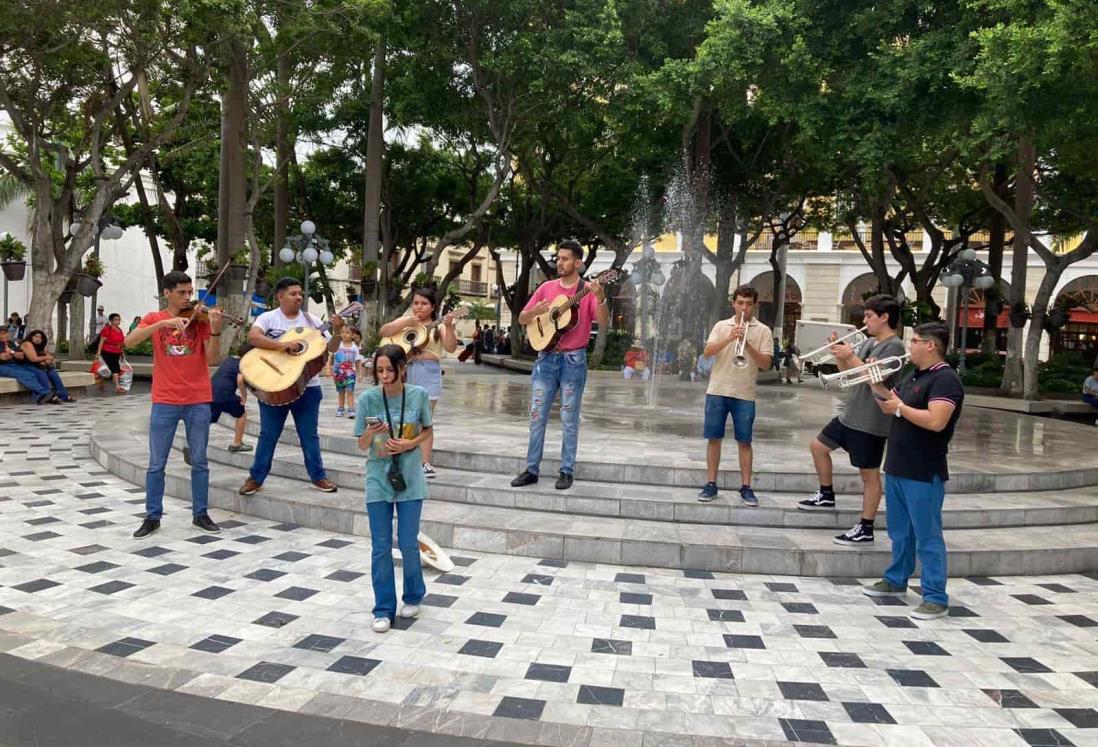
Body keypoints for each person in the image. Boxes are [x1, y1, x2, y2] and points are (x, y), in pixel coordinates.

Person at [863, 322, 964, 620]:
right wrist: (871, 379)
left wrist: (899, 407)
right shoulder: (913, 375)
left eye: (916, 341)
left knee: (927, 535)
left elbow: (936, 421)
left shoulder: (946, 380)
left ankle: (935, 596)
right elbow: (887, 405)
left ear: (930, 345)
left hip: (923, 469)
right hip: (897, 465)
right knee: (900, 532)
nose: (910, 346)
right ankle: (896, 580)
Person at [797, 295, 906, 546]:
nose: (865, 321)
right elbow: (848, 370)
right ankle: (825, 494)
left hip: (871, 421)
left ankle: (865, 527)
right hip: (850, 413)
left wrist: (851, 356)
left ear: (885, 317)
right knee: (817, 446)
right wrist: (839, 352)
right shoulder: (869, 342)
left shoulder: (894, 347)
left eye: (869, 316)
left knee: (869, 475)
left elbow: (874, 378)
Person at [125, 270, 223, 538]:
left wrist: (215, 331)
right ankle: (152, 515)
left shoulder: (200, 320)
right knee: (157, 462)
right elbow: (128, 341)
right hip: (165, 400)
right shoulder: (154, 318)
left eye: (189, 292)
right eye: (181, 292)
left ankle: (200, 513)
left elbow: (213, 359)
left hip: (198, 399)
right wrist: (162, 325)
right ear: (167, 293)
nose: (187, 298)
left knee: (200, 460)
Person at [511, 240, 609, 490]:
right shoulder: (546, 287)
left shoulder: (586, 290)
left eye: (565, 258)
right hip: (545, 359)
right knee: (536, 416)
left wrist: (601, 298)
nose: (559, 262)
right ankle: (531, 469)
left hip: (573, 361)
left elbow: (603, 321)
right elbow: (523, 317)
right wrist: (534, 314)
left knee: (569, 417)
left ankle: (566, 470)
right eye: (558, 258)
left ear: (578, 263)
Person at [238, 277, 342, 496]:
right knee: (268, 434)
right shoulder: (268, 318)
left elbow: (331, 347)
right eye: (293, 294)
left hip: (308, 386)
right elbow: (253, 337)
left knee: (309, 434)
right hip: (274, 384)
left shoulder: (312, 320)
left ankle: (318, 476)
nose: (298, 297)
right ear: (280, 296)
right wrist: (283, 345)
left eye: (300, 294)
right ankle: (256, 478)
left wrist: (339, 331)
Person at [355, 344, 433, 633]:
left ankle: (413, 594)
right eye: (379, 370)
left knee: (408, 542)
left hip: (410, 475)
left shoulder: (418, 395)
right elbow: (361, 444)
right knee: (380, 545)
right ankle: (383, 608)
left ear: (403, 368)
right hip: (378, 475)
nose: (385, 375)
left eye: (390, 369)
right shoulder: (367, 399)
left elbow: (427, 429)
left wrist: (409, 444)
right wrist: (369, 433)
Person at [697, 285, 773, 506]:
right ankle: (711, 483)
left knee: (745, 442)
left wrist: (747, 345)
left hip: (745, 393)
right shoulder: (722, 326)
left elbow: (766, 364)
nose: (744, 308)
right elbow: (707, 352)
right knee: (713, 439)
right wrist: (730, 338)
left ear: (755, 305)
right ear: (734, 303)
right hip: (717, 390)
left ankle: (746, 487)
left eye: (749, 304)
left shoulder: (763, 331)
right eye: (740, 303)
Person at [377, 287, 458, 478]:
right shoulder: (406, 323)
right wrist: (406, 321)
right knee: (397, 415)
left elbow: (451, 347)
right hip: (402, 372)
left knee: (424, 418)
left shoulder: (437, 328)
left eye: (424, 304)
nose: (419, 307)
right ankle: (394, 458)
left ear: (432, 307)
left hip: (427, 372)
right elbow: (384, 331)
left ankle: (425, 462)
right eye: (416, 303)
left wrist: (448, 326)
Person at [0, 326, 56, 403]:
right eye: (2, 334)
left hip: (15, 365)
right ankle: (45, 393)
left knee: (31, 374)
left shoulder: (11, 343)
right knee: (24, 375)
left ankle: (39, 397)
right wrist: (14, 353)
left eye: (5, 333)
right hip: (3, 366)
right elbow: (3, 357)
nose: (4, 335)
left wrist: (11, 352)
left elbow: (22, 356)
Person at [20, 329, 77, 402]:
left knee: (53, 373)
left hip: (38, 365)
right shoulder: (27, 344)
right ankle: (49, 396)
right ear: (31, 337)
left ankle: (64, 395)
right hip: (26, 365)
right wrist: (45, 358)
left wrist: (46, 361)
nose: (38, 339)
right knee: (41, 374)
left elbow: (50, 358)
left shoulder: (41, 346)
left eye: (40, 338)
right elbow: (33, 359)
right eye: (36, 336)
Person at [332, 325, 361, 418]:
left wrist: (359, 373)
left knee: (350, 391)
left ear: (353, 335)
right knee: (341, 391)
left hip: (350, 373)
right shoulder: (337, 345)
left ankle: (351, 410)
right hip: (339, 373)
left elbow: (358, 361)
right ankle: (341, 408)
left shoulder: (355, 347)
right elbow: (331, 357)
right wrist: (330, 370)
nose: (344, 334)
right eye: (342, 332)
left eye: (347, 332)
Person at [96, 312, 127, 393]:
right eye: (116, 319)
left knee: (110, 368)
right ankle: (117, 386)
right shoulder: (106, 329)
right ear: (111, 321)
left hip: (116, 351)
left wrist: (122, 352)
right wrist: (98, 352)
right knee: (114, 368)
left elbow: (121, 342)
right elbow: (101, 341)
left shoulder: (120, 330)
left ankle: (101, 381)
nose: (118, 321)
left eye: (119, 320)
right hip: (107, 351)